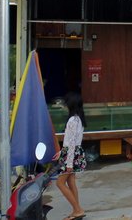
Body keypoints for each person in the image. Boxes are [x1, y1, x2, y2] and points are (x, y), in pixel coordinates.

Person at [54, 92, 87, 220]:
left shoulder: (73, 120)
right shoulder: (79, 119)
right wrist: (62, 152)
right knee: (71, 181)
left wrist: (68, 162)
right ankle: (76, 209)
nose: (65, 105)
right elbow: (72, 141)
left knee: (60, 183)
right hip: (73, 153)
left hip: (71, 155)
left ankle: (78, 210)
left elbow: (71, 142)